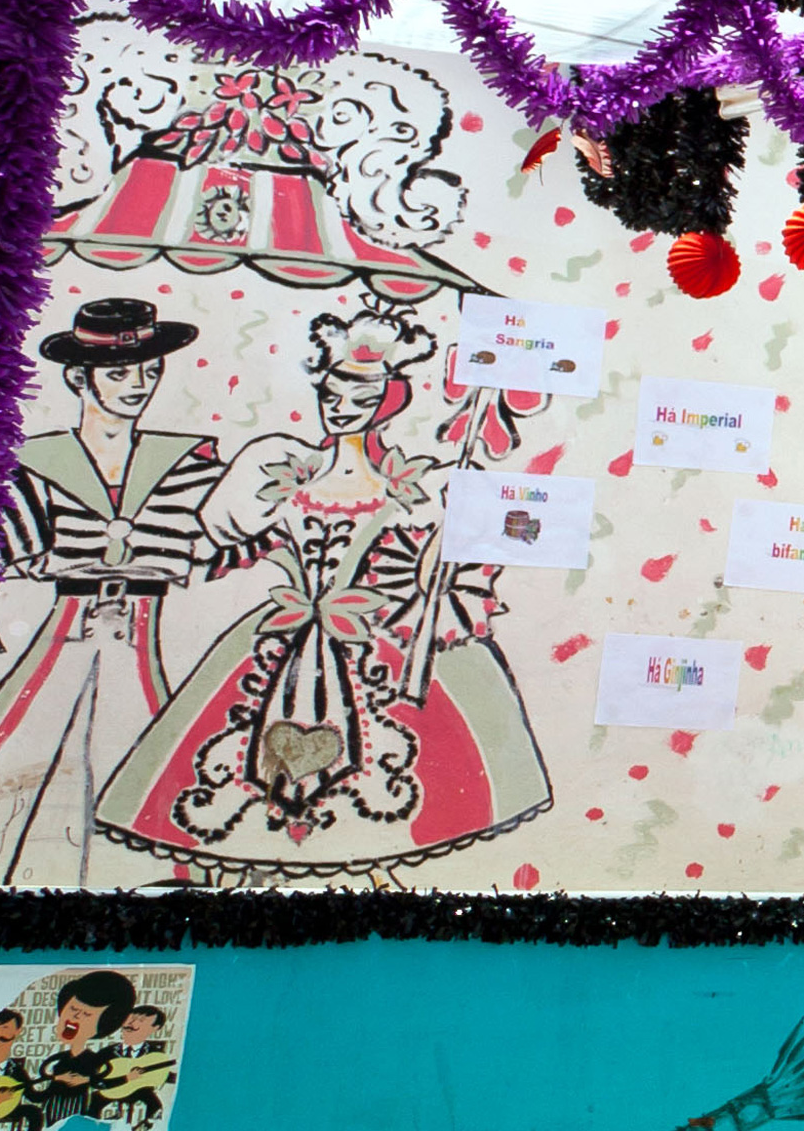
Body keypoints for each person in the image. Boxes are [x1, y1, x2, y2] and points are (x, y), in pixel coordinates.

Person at [95, 302, 549, 873]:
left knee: (397, 780)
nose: (341, 410)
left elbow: (506, 538)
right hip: (282, 640)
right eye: (331, 397)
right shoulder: (282, 466)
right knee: (245, 776)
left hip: (378, 644)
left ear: (388, 402)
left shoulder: (419, 485)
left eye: (361, 401)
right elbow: (219, 545)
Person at [0, 300, 226, 872]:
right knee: (15, 752)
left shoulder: (188, 465)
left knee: (148, 759)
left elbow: (215, 548)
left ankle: (155, 877)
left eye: (150, 371)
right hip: (63, 639)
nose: (138, 385)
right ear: (78, 378)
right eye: (119, 373)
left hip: (145, 641)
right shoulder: (34, 465)